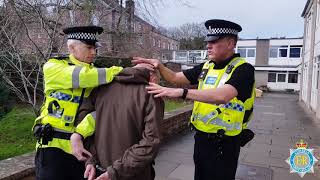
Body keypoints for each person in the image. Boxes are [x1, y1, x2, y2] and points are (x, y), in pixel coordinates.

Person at [133, 19, 255, 180]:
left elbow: (223, 96)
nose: (208, 46)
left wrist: (181, 93)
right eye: (208, 42)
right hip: (201, 139)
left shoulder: (244, 69)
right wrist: (160, 65)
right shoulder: (207, 67)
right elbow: (176, 77)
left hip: (225, 144)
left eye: (214, 41)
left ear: (231, 43)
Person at [32, 26, 126, 180]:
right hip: (52, 148)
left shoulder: (99, 75)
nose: (94, 52)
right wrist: (121, 71)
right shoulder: (53, 67)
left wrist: (79, 134)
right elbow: (82, 76)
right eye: (89, 47)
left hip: (83, 149)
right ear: (72, 47)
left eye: (95, 48)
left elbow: (99, 111)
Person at [70, 67, 164, 180]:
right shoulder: (151, 94)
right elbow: (151, 141)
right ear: (152, 77)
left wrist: (91, 161)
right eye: (157, 81)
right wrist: (115, 171)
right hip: (133, 174)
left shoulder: (100, 87)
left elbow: (84, 127)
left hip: (98, 171)